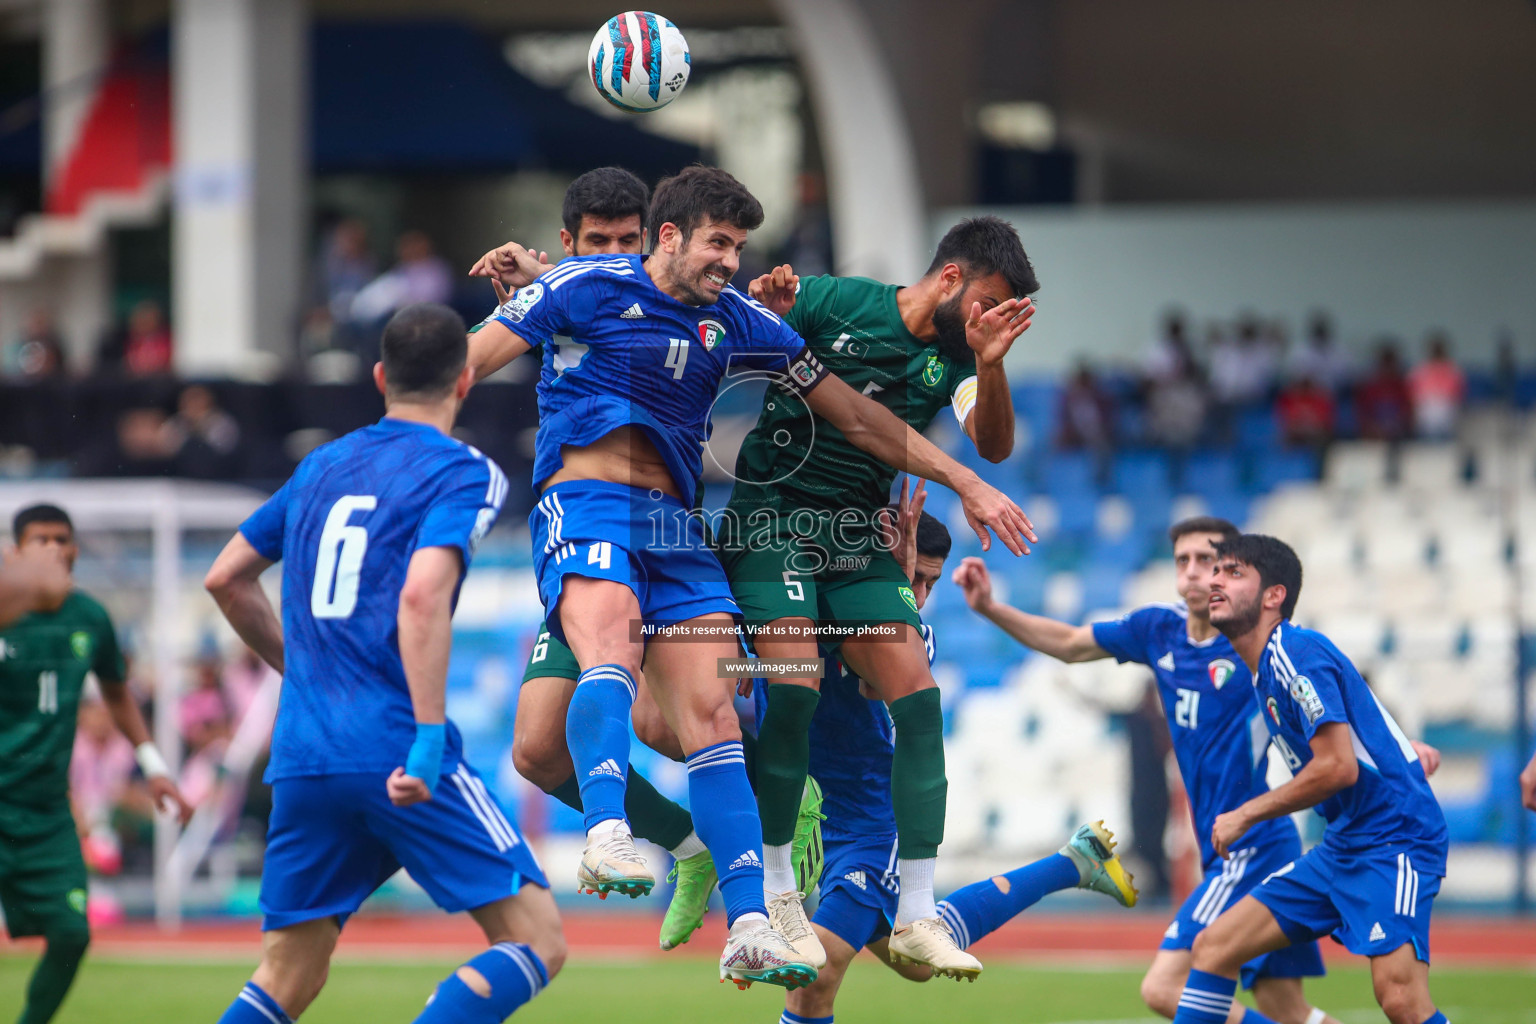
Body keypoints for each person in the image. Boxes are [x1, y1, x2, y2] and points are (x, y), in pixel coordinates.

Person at [465, 165, 1032, 987]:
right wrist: (408, 444)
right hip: (591, 509)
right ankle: (617, 832)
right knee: (550, 733)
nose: (733, 261)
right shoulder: (582, 286)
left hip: (680, 527)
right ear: (670, 236)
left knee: (709, 720)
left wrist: (967, 480)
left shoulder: (737, 320)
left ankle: (752, 918)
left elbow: (859, 415)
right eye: (719, 244)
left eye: (740, 246)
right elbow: (476, 359)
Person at [203, 303, 564, 1024]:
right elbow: (423, 595)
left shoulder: (320, 466)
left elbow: (225, 577)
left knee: (289, 974)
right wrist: (428, 736)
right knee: (537, 939)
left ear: (378, 377)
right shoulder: (463, 472)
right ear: (467, 380)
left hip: (303, 754)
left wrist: (301, 669)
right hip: (396, 747)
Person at [723, 215, 1038, 977]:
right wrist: (764, 302)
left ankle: (920, 915)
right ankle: (771, 894)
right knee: (791, 688)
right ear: (954, 279)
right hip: (772, 517)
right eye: (989, 304)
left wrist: (992, 365)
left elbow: (993, 445)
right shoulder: (834, 302)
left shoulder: (959, 360)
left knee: (917, 696)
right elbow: (740, 342)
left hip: (858, 535)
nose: (991, 322)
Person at [470, 167, 734, 952]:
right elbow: (588, 300)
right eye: (599, 244)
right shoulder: (568, 296)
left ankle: (786, 809)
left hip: (659, 531)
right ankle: (689, 848)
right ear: (569, 244)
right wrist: (540, 287)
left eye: (631, 241)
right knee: (536, 749)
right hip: (583, 525)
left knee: (675, 719)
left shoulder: (667, 301)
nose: (618, 256)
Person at [776, 482, 1137, 1023]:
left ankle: (1075, 863)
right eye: (914, 576)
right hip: (817, 817)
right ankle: (1074, 862)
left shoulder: (911, 634)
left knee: (816, 972)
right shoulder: (798, 601)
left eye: (929, 582)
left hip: (873, 824)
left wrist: (890, 587)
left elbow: (875, 683)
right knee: (915, 963)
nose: (920, 594)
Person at [953, 517, 1337, 1024]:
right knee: (1287, 1011)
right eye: (1184, 561)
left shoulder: (1252, 640)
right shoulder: (1159, 629)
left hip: (1253, 848)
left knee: (1163, 988)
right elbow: (1071, 643)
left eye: (1211, 561)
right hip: (1223, 845)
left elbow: (1323, 681)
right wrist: (990, 608)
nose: (1196, 573)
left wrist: (1393, 742)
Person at [1171, 535, 1451, 1024]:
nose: (1215, 579)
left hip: (1396, 840)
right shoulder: (1264, 670)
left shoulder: (1294, 651)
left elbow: (1337, 767)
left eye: (1233, 572)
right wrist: (1403, 752)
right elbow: (1357, 734)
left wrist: (1246, 813)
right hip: (1343, 845)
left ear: (1273, 596)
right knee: (1214, 947)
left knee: (1401, 1000)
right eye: (1216, 571)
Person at [1, 504, 191, 1024]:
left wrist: (152, 764)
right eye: (41, 540)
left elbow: (116, 691)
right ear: (16, 552)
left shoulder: (89, 617)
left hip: (44, 812)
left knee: (72, 933)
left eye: (63, 539)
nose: (56, 549)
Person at [1406, 334, 1466, 441]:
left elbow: (1458, 395)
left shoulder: (1453, 370)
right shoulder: (1420, 370)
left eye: (1439, 350)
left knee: (1444, 409)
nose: (1437, 353)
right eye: (1435, 350)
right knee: (1426, 410)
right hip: (1425, 408)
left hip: (1446, 408)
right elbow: (1412, 395)